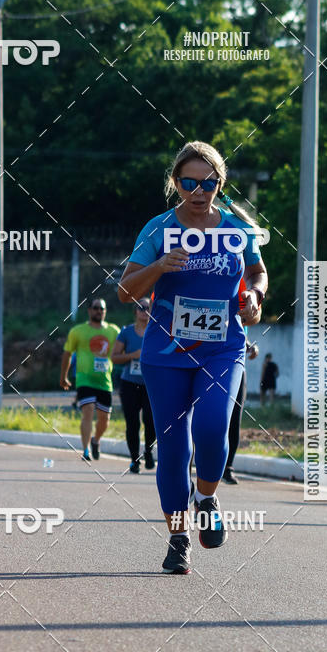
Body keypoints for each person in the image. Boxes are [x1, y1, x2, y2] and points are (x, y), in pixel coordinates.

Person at [118, 140, 268, 574]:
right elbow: (127, 290)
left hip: (224, 346)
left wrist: (255, 296)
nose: (199, 191)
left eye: (208, 182)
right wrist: (160, 266)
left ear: (220, 183)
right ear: (176, 182)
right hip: (166, 352)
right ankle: (179, 538)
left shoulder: (237, 229)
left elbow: (257, 270)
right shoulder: (159, 229)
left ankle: (206, 496)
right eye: (188, 182)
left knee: (212, 424)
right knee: (172, 447)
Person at [60, 298, 120, 461]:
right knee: (88, 411)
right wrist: (63, 376)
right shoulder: (78, 331)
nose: (98, 311)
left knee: (104, 419)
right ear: (89, 310)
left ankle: (96, 440)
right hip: (84, 379)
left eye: (102, 309)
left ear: (105, 311)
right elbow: (67, 353)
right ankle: (85, 450)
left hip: (104, 381)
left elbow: (120, 351)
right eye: (95, 308)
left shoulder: (114, 331)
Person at [111, 297, 156, 474]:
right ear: (135, 312)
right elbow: (114, 357)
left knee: (151, 421)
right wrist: (133, 355)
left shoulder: (156, 331)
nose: (144, 310)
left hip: (151, 383)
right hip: (129, 383)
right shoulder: (126, 332)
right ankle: (134, 459)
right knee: (132, 423)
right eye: (140, 307)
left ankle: (149, 451)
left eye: (147, 307)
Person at [223, 338, 258, 484]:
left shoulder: (242, 317)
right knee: (215, 419)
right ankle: (205, 464)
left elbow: (248, 323)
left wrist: (251, 347)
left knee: (234, 420)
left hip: (238, 368)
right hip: (213, 365)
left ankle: (228, 467)